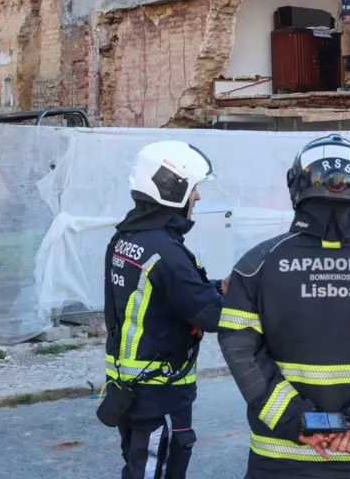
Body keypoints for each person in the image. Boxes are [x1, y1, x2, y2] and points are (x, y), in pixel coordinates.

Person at [219, 134, 350, 478]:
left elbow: (240, 351)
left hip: (280, 455)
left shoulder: (255, 264)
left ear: (296, 187)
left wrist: (295, 420)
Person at [101, 140, 225, 479]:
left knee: (138, 466)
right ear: (174, 189)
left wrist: (214, 287)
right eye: (195, 188)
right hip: (161, 390)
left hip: (127, 387)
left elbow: (169, 295)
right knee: (158, 469)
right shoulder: (166, 253)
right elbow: (210, 315)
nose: (197, 197)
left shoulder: (128, 238)